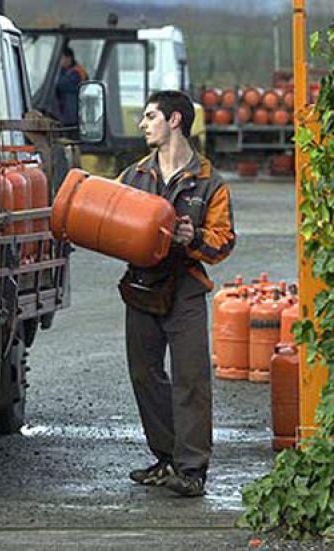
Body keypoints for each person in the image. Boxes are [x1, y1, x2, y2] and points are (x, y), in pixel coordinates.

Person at [116, 90, 236, 497]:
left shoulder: (209, 181)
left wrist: (194, 236)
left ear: (175, 121)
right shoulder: (132, 177)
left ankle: (191, 470)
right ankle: (165, 458)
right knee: (144, 374)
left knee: (191, 378)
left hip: (184, 287)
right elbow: (110, 222)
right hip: (141, 286)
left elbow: (223, 242)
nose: (143, 124)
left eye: (151, 116)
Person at [54, 46, 87, 127]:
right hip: (64, 115)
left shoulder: (77, 73)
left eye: (61, 58)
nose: (60, 61)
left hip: (72, 117)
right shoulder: (63, 71)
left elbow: (60, 85)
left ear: (69, 58)